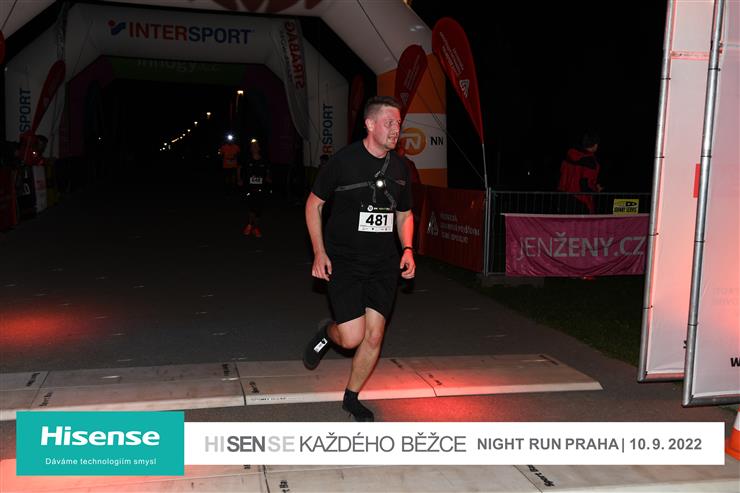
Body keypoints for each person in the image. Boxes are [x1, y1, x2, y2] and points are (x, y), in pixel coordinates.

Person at [303, 96, 416, 422]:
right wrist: (319, 252)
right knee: (352, 337)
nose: (395, 129)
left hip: (383, 263)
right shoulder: (343, 161)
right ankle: (327, 334)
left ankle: (351, 397)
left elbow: (405, 214)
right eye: (389, 122)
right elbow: (314, 205)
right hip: (345, 260)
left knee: (375, 334)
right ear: (369, 124)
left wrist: (408, 249)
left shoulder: (400, 168)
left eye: (398, 123)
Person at [557, 131, 603, 214]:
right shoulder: (591, 162)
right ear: (595, 145)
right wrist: (596, 190)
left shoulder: (569, 155)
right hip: (580, 201)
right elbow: (584, 186)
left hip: (563, 197)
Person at [239, 139, 271, 237]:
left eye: (256, 146)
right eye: (253, 146)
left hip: (261, 188)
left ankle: (255, 227)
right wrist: (239, 179)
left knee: (259, 209)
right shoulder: (247, 160)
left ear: (259, 148)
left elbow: (267, 171)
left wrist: (268, 178)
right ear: (250, 149)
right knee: (251, 207)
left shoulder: (264, 160)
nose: (255, 147)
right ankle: (250, 225)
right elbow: (239, 168)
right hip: (250, 188)